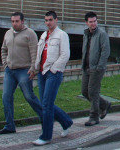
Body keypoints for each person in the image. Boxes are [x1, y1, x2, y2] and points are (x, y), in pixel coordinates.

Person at [32, 10, 74, 146]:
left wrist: (53, 69)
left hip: (53, 73)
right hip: (42, 72)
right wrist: (35, 68)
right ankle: (66, 121)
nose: (48, 23)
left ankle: (46, 136)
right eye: (46, 20)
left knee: (46, 104)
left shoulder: (62, 35)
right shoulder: (44, 35)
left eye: (50, 20)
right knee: (45, 103)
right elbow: (39, 54)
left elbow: (65, 55)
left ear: (56, 20)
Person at [0, 11, 41, 135]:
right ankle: (9, 125)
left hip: (24, 70)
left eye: (17, 21)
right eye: (12, 21)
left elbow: (34, 52)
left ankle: (45, 119)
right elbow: (3, 49)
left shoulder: (30, 33)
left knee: (29, 96)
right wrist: (5, 64)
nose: (14, 23)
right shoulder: (8, 33)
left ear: (22, 21)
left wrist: (33, 68)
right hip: (10, 71)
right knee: (6, 96)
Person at [81, 11, 111, 126]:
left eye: (95, 21)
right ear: (86, 23)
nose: (93, 24)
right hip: (87, 67)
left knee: (93, 92)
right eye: (90, 22)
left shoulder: (101, 34)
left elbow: (105, 51)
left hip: (97, 68)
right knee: (84, 91)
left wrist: (100, 66)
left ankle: (94, 116)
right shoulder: (86, 34)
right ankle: (104, 105)